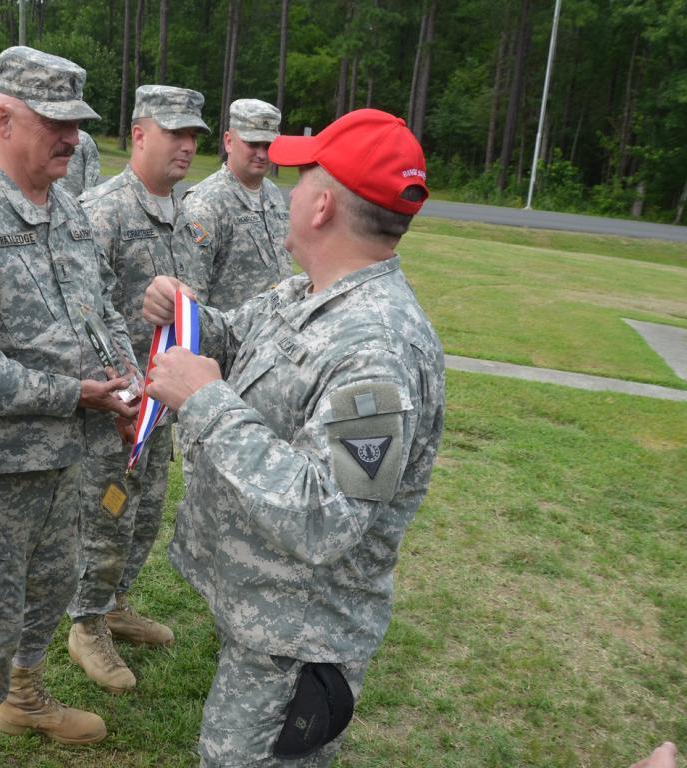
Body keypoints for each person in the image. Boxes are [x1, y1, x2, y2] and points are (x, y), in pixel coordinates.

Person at [141, 108, 445, 767]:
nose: (287, 189)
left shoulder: (375, 349)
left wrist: (205, 401)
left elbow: (326, 517)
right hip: (268, 618)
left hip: (299, 637)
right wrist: (185, 312)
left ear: (322, 207)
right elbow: (236, 337)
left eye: (302, 176)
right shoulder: (310, 292)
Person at [0, 46, 138, 764]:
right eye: (55, 121)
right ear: (4, 119)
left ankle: (24, 697)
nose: (72, 137)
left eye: (77, 122)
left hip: (67, 460)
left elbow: (101, 308)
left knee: (50, 590)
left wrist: (129, 385)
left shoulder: (69, 207)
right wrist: (74, 394)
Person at [67, 84, 208, 694]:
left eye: (194, 135)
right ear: (138, 135)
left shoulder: (190, 216)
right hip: (117, 408)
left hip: (163, 405)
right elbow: (80, 314)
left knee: (146, 512)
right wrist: (116, 388)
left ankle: (117, 601)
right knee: (108, 513)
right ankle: (85, 622)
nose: (186, 145)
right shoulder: (100, 212)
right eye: (174, 132)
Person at [179, 98, 292, 310]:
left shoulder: (273, 193)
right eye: (253, 144)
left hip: (271, 336)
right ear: (229, 141)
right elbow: (193, 294)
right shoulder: (206, 202)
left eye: (268, 145)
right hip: (229, 339)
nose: (261, 154)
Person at [0, 120, 100, 196]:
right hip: (16, 191)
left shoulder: (85, 139)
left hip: (73, 197)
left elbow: (92, 168)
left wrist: (87, 196)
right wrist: (2, 166)